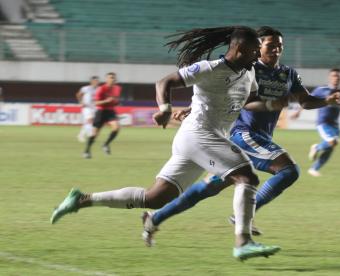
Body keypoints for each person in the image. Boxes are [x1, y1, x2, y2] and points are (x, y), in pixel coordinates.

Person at [51, 26, 284, 261]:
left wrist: (275, 104)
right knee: (247, 177)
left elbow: (249, 101)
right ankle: (243, 242)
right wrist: (165, 109)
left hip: (205, 139)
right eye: (255, 51)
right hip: (199, 134)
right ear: (241, 49)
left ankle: (81, 199)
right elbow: (165, 82)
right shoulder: (210, 68)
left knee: (155, 198)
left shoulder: (249, 73)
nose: (258, 55)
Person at [141, 26, 340, 238]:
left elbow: (305, 101)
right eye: (271, 46)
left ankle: (154, 218)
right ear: (258, 47)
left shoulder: (288, 74)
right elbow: (221, 91)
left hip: (260, 138)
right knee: (288, 171)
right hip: (243, 134)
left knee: (208, 188)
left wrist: (326, 101)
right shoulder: (247, 67)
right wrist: (192, 110)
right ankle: (245, 216)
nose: (276, 50)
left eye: (280, 46)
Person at [292, 68, 340, 177]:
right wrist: (298, 112)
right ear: (330, 77)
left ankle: (314, 169)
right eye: (334, 75)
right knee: (333, 142)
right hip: (323, 123)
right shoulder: (321, 89)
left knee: (331, 146)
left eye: (338, 76)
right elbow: (307, 101)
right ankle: (316, 148)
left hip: (335, 124)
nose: (336, 77)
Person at [83, 72, 121, 159]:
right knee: (94, 134)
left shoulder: (117, 88)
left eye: (114, 78)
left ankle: (106, 144)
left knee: (116, 128)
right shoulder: (101, 89)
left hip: (111, 111)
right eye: (111, 77)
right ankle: (87, 151)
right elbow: (95, 102)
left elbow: (116, 100)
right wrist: (106, 101)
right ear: (107, 79)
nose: (113, 79)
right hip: (101, 112)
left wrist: (116, 102)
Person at [76, 76, 99, 143]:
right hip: (86, 107)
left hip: (94, 107)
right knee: (90, 120)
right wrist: (80, 102)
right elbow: (78, 94)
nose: (96, 82)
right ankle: (90, 135)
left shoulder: (99, 89)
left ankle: (80, 135)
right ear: (91, 81)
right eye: (94, 81)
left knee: (90, 122)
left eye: (97, 81)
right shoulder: (85, 88)